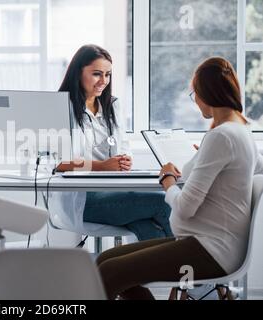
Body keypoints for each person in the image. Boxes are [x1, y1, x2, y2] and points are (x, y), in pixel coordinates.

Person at [96, 56, 263, 300]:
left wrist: (167, 181)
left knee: (109, 272)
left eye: (194, 93)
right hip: (208, 244)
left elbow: (185, 207)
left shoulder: (222, 137)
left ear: (206, 93)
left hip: (211, 251)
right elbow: (249, 167)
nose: (195, 100)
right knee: (105, 260)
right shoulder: (241, 129)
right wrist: (204, 160)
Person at [48, 44, 173, 241]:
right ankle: (189, 264)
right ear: (77, 72)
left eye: (108, 75)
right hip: (81, 200)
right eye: (97, 74)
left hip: (114, 190)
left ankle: (161, 270)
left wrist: (125, 161)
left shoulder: (112, 106)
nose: (103, 81)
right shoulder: (61, 107)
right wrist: (102, 166)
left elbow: (123, 146)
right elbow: (57, 164)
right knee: (162, 203)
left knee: (148, 227)